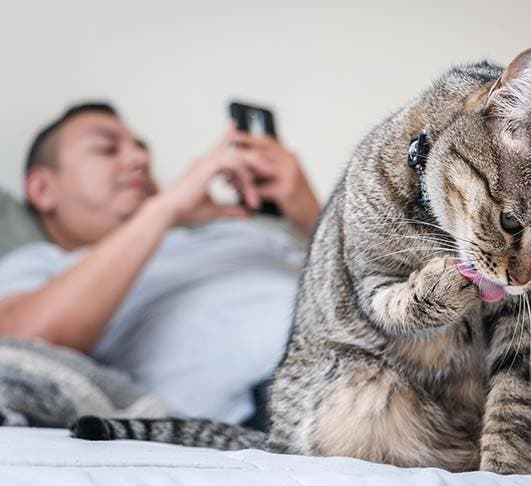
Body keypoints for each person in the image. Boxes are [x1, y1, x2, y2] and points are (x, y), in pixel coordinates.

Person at [0, 102, 320, 424]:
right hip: (288, 394)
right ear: (42, 189)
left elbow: (361, 283)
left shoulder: (235, 232)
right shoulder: (46, 264)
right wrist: (164, 210)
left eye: (141, 149)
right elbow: (21, 348)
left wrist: (310, 213)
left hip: (358, 350)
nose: (140, 159)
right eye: (107, 149)